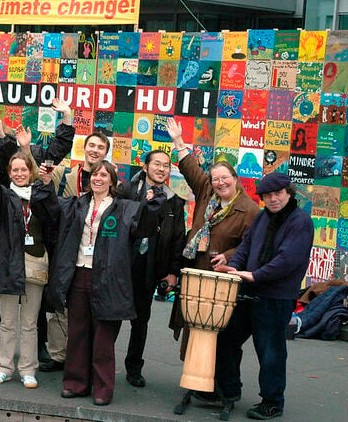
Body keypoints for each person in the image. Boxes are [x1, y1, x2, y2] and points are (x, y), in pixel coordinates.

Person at [45, 161, 162, 406]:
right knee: (77, 333)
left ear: (112, 181)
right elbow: (49, 209)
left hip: (108, 279)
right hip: (79, 274)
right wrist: (44, 183)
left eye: (104, 175)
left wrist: (153, 203)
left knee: (103, 338)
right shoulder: (77, 204)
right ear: (90, 180)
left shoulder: (126, 208)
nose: (98, 178)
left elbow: (146, 229)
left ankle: (102, 389)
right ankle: (76, 383)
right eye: (95, 175)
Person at [214, 173, 314, 420]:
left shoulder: (300, 221)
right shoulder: (262, 218)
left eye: (277, 193)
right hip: (249, 291)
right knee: (226, 338)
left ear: (288, 192)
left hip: (276, 297)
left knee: (270, 351)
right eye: (267, 196)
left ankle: (272, 402)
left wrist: (255, 275)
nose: (272, 199)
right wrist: (234, 268)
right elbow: (245, 247)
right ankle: (228, 390)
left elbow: (287, 260)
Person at [166, 118, 260, 357]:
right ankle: (193, 376)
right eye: (216, 179)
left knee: (219, 334)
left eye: (225, 178)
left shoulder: (249, 210)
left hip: (222, 279)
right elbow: (190, 168)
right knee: (192, 325)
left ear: (235, 178)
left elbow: (250, 246)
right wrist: (178, 141)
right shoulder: (206, 191)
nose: (220, 183)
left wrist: (229, 257)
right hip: (196, 269)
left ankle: (218, 381)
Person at [0, 147, 54, 389]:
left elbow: (55, 218)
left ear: (31, 171)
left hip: (35, 263)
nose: (19, 174)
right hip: (8, 264)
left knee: (30, 323)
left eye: (23, 169)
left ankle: (28, 369)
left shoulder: (40, 196)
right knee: (7, 321)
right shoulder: (3, 197)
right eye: (15, 170)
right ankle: (4, 367)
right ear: (9, 173)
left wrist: (48, 188)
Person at [41, 131, 111, 373]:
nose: (95, 150)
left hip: (92, 252)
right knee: (59, 298)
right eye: (91, 145)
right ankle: (58, 354)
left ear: (105, 152)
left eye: (100, 147)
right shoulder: (64, 175)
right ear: (84, 148)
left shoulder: (111, 183)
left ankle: (83, 357)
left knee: (86, 306)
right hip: (63, 245)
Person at [115, 150, 187, 388]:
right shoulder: (126, 191)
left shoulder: (174, 201)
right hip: (121, 264)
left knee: (141, 321)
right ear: (145, 167)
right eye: (156, 164)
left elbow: (178, 240)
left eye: (166, 166)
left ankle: (134, 368)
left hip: (149, 267)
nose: (161, 169)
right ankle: (102, 364)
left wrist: (172, 272)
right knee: (111, 318)